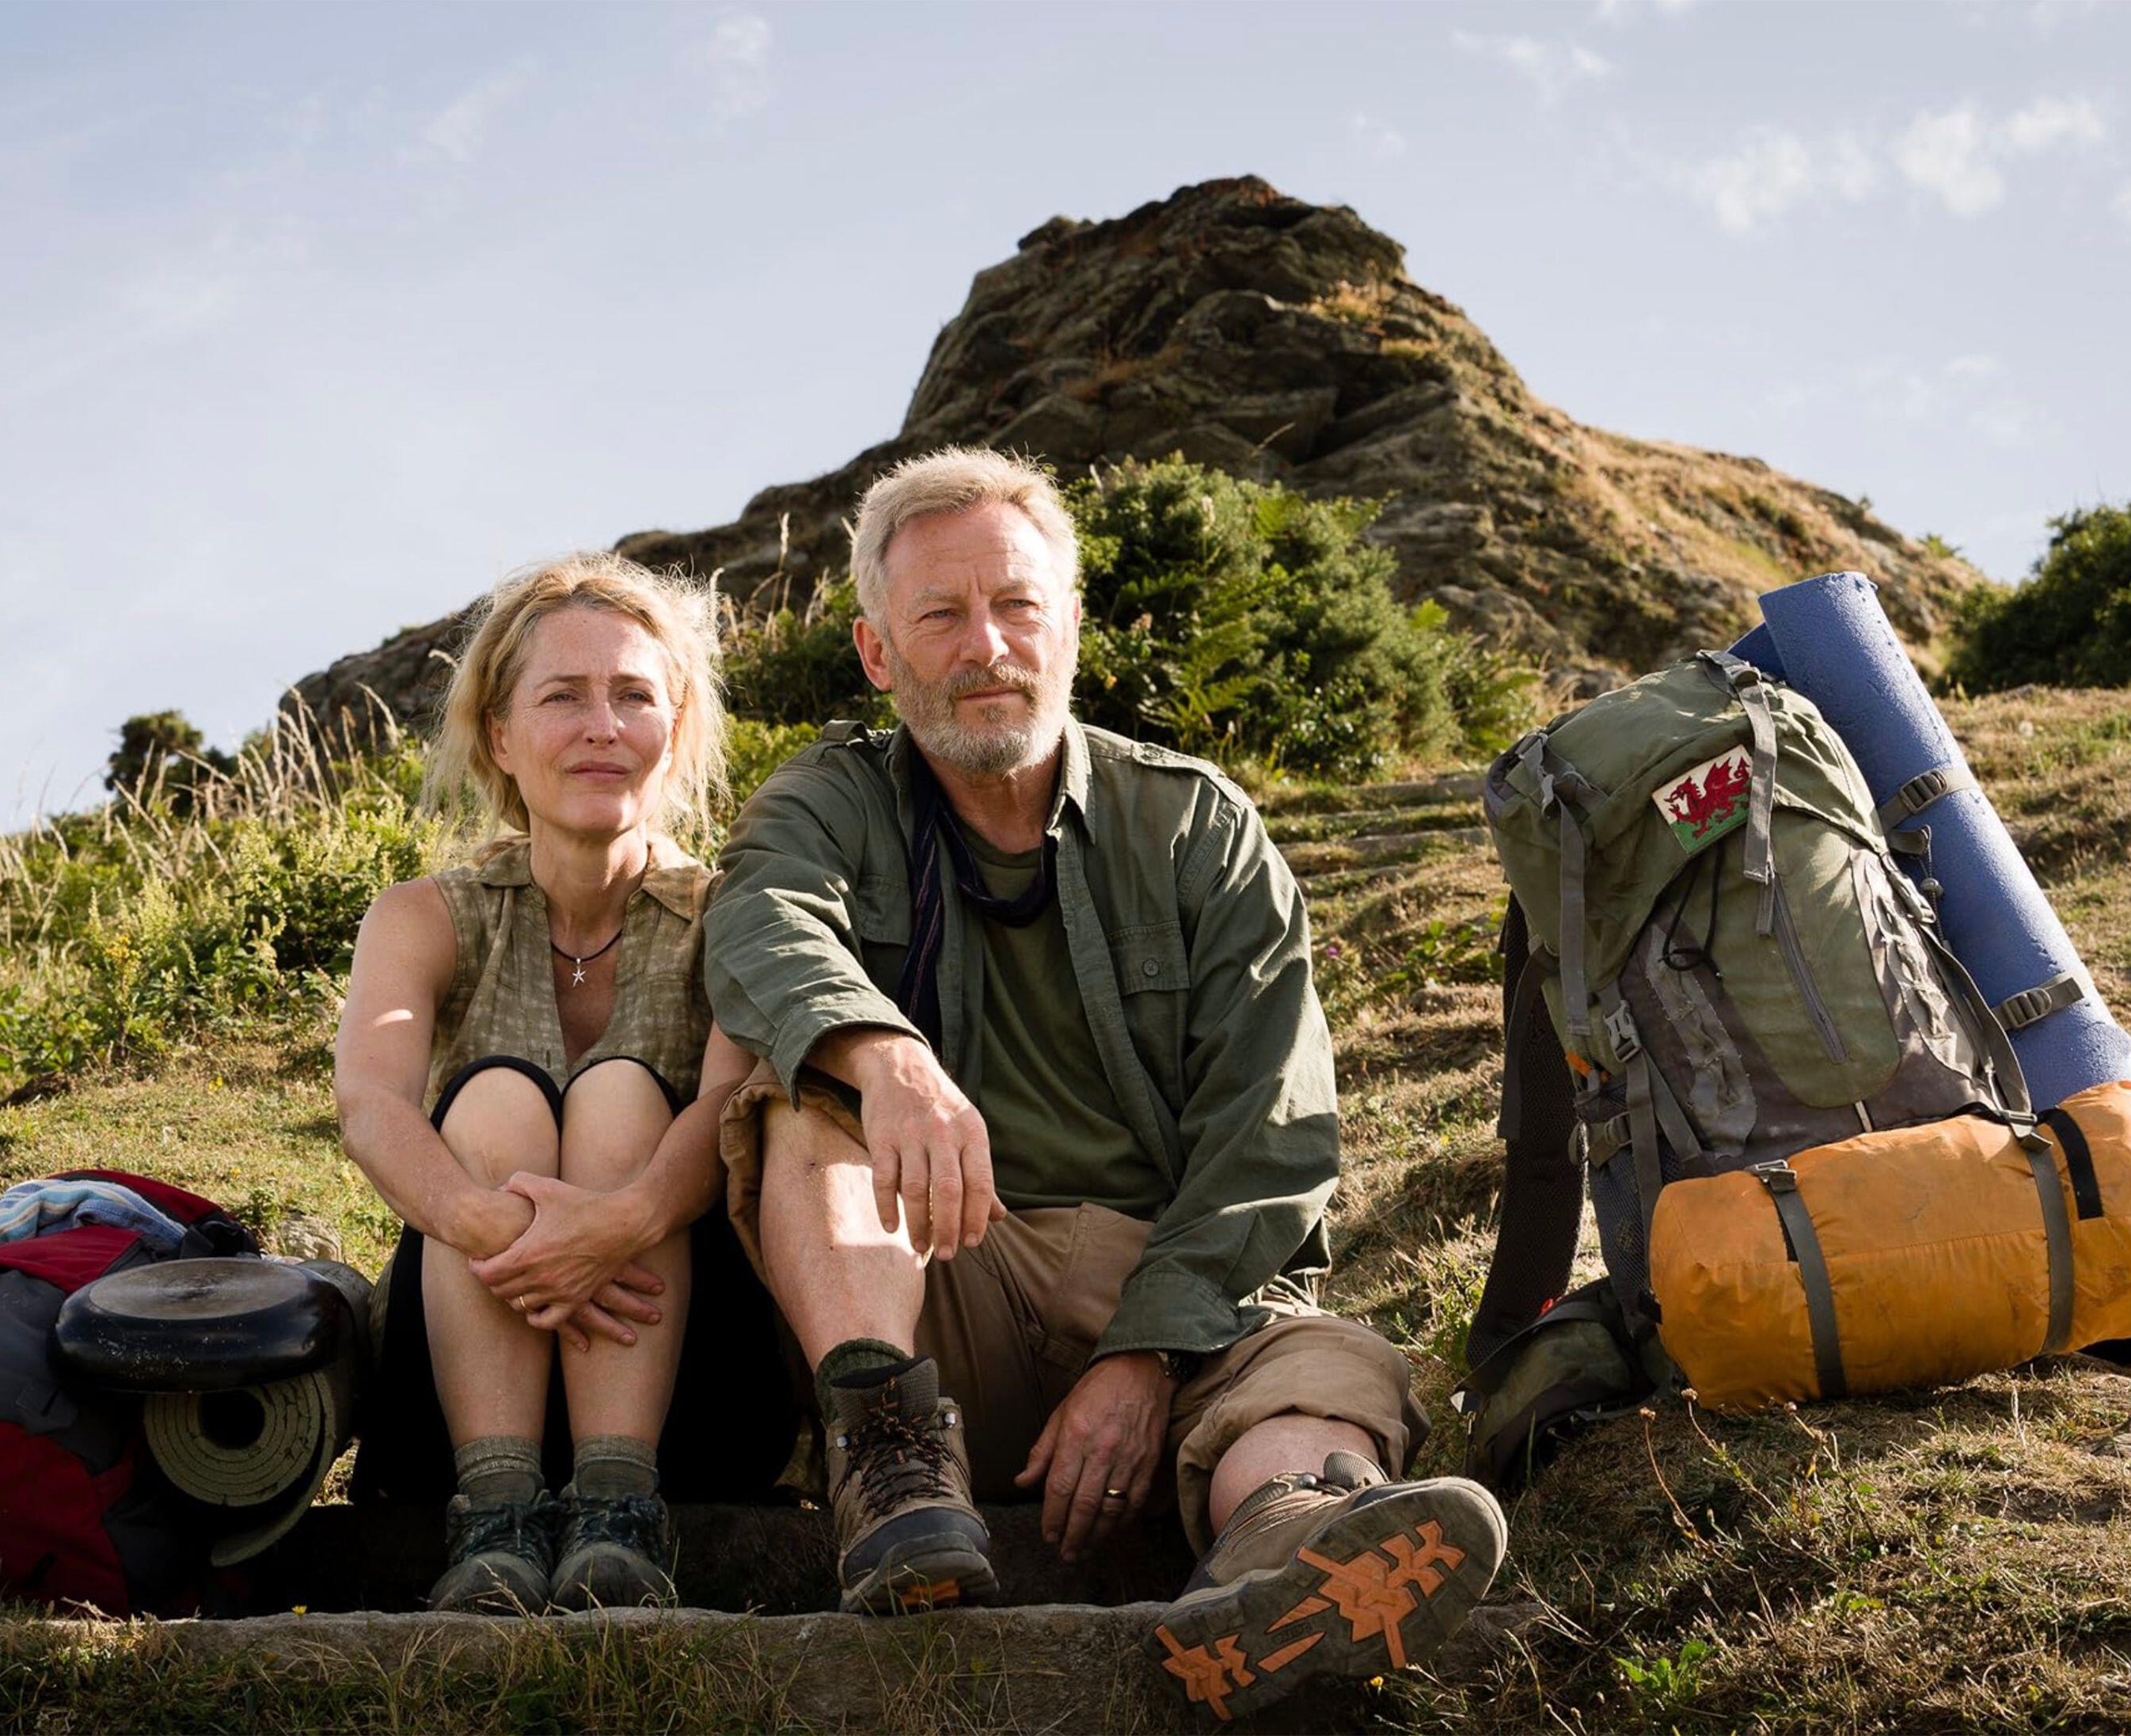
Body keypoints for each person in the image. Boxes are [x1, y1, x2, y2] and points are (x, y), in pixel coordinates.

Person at [704, 447, 1507, 1722]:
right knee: (797, 1105)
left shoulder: (1194, 826)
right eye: (941, 616)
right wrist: (887, 1055)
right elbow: (754, 922)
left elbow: (1273, 1132)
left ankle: (1280, 1556)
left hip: (1176, 1294)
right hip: (939, 1279)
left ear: (1071, 625)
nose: (987, 646)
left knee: (1316, 1377)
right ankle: (898, 1471)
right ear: (877, 653)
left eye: (1018, 605)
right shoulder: (833, 799)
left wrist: (1141, 1353)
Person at [335, 552, 794, 1615]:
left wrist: (618, 1223)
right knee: (495, 1098)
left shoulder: (731, 914)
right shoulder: (426, 914)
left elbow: (727, 1106)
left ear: (673, 728)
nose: (602, 724)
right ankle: (495, 1514)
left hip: (691, 1390)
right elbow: (371, 1103)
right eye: (563, 695)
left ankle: (620, 1512)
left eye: (634, 694)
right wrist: (511, 1233)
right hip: (462, 1389)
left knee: (625, 1100)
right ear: (500, 734)